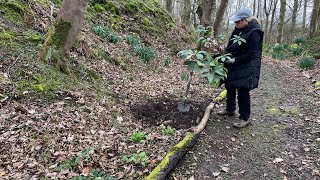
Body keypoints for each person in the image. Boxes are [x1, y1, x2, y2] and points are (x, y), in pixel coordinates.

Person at [217, 7, 264, 128]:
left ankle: (244, 117)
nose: (236, 23)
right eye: (235, 21)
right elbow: (231, 45)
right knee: (230, 86)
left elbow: (252, 54)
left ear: (245, 20)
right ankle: (230, 109)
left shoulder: (255, 33)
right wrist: (224, 53)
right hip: (234, 64)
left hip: (247, 66)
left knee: (243, 91)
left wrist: (234, 59)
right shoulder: (238, 30)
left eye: (238, 21)